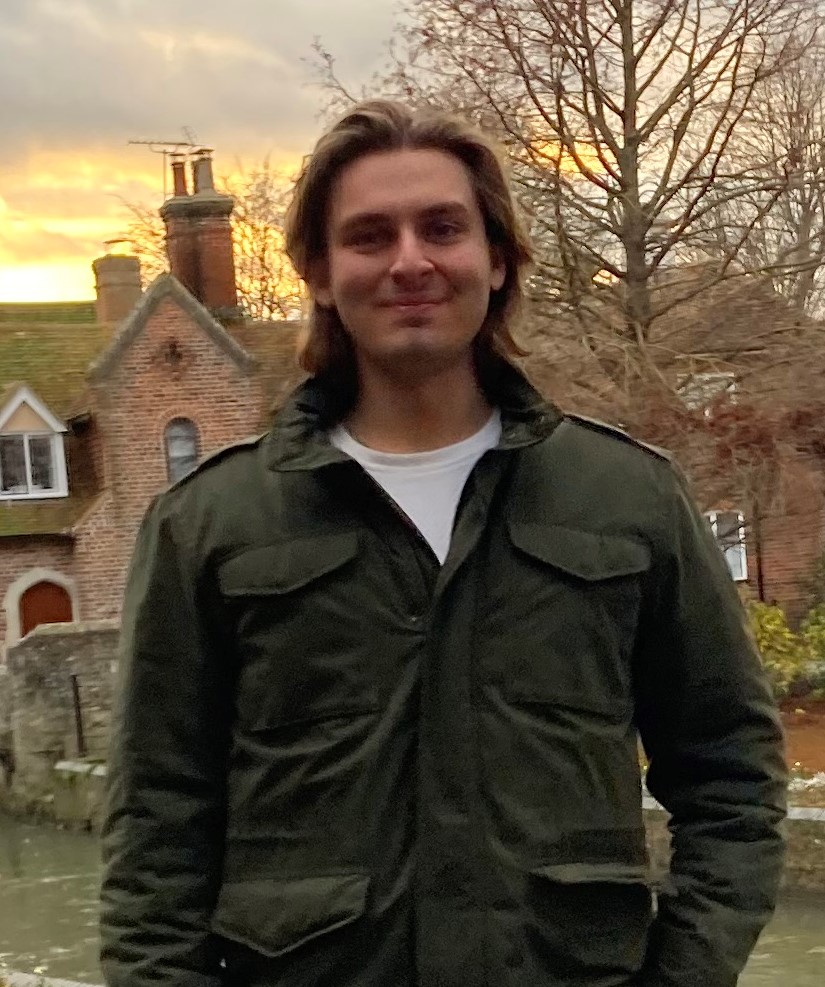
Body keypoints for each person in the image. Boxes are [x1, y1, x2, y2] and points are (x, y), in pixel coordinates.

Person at [100, 100, 787, 987]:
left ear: (495, 259)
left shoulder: (627, 499)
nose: (409, 261)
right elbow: (155, 833)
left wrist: (683, 974)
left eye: (442, 228)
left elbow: (731, 776)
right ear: (318, 272)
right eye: (369, 236)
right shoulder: (211, 524)